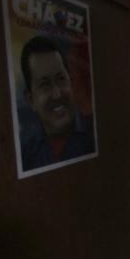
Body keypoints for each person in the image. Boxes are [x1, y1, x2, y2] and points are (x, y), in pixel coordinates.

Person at [19, 35, 95, 171]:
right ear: (31, 99)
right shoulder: (27, 154)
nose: (57, 93)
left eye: (61, 79)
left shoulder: (94, 135)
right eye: (45, 84)